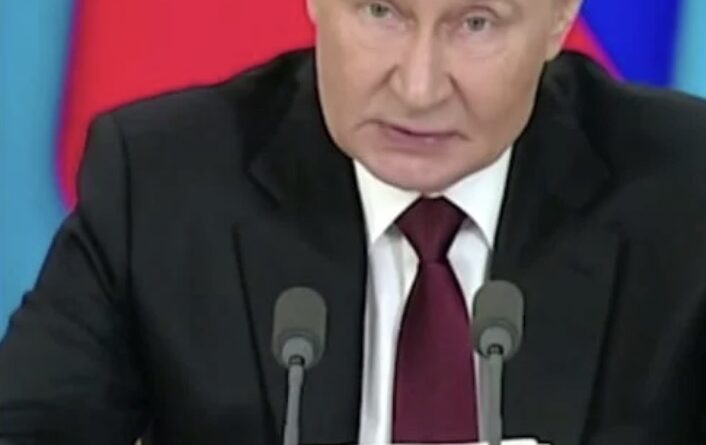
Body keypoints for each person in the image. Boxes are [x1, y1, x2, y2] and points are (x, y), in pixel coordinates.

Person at [2, 0, 706, 443]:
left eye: (476, 23)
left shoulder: (685, 194)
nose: (419, 87)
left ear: (559, 18)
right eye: (380, 12)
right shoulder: (165, 182)